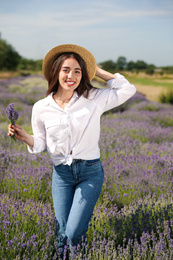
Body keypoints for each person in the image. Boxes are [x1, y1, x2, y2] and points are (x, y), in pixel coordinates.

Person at [8, 44, 136, 258]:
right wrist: (25, 137)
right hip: (61, 176)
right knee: (62, 233)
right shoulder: (41, 107)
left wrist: (97, 70)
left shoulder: (94, 98)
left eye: (78, 71)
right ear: (56, 72)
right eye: (66, 70)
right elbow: (40, 143)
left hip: (90, 173)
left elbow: (127, 90)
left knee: (75, 232)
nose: (72, 76)